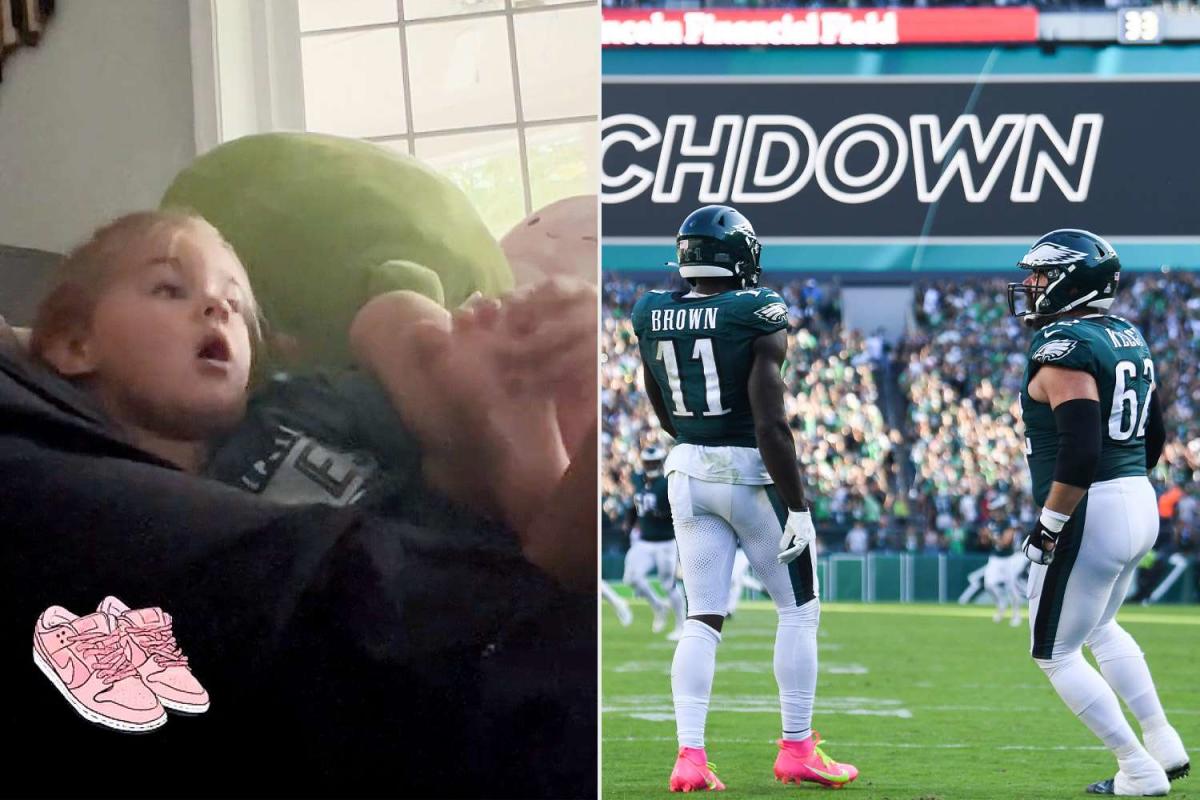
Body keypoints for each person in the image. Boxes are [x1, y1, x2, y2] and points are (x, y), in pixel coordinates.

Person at [0, 211, 595, 795]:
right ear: (76, 344)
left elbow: (413, 368)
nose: (217, 308)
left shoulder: (292, 409)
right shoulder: (86, 492)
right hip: (429, 663)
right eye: (168, 289)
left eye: (234, 302)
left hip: (486, 561)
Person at [631, 204, 858, 792]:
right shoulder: (756, 311)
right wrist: (801, 509)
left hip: (687, 473)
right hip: (750, 476)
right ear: (740, 258)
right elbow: (771, 426)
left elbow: (660, 403)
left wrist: (697, 439)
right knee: (799, 611)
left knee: (701, 618)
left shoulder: (651, 311)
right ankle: (797, 747)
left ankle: (690, 758)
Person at [1008, 229, 1189, 796]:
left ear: (1069, 280)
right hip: (1135, 493)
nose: (1030, 286)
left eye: (1040, 275)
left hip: (1093, 505)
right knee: (1102, 628)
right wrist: (1127, 483)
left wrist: (1051, 524)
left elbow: (1081, 449)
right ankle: (1163, 741)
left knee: (1054, 652)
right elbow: (1155, 432)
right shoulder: (1124, 333)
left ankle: (1137, 768)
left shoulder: (1063, 344)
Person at [622, 446, 685, 640]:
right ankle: (658, 606)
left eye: (653, 462)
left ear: (660, 462)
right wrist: (630, 521)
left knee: (668, 584)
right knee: (631, 578)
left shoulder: (667, 482)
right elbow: (636, 504)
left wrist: (662, 515)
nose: (650, 466)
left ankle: (682, 625)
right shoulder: (639, 480)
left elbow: (680, 508)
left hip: (665, 542)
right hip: (644, 541)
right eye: (647, 462)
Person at [980, 494, 1023, 626]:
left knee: (1011, 587)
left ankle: (1016, 615)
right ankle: (1001, 604)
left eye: (995, 509)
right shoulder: (991, 522)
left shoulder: (1009, 522)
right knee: (989, 584)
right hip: (995, 558)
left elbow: (1005, 542)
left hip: (1008, 558)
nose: (993, 512)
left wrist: (990, 536)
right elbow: (984, 542)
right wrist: (984, 537)